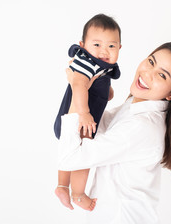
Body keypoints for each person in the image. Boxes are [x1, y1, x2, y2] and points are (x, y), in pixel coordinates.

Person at [57, 42, 171, 223]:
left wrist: (77, 85)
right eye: (151, 62)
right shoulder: (137, 105)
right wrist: (85, 85)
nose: (147, 74)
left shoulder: (142, 126)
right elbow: (95, 127)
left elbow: (70, 157)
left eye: (161, 75)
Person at [54, 14, 122, 211]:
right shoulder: (87, 62)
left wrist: (106, 91)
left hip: (78, 115)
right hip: (80, 116)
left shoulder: (100, 65)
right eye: (97, 44)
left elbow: (98, 81)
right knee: (84, 154)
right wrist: (84, 113)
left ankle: (61, 186)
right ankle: (78, 193)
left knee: (70, 150)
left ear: (119, 48)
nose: (104, 51)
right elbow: (79, 85)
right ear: (83, 45)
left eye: (111, 46)